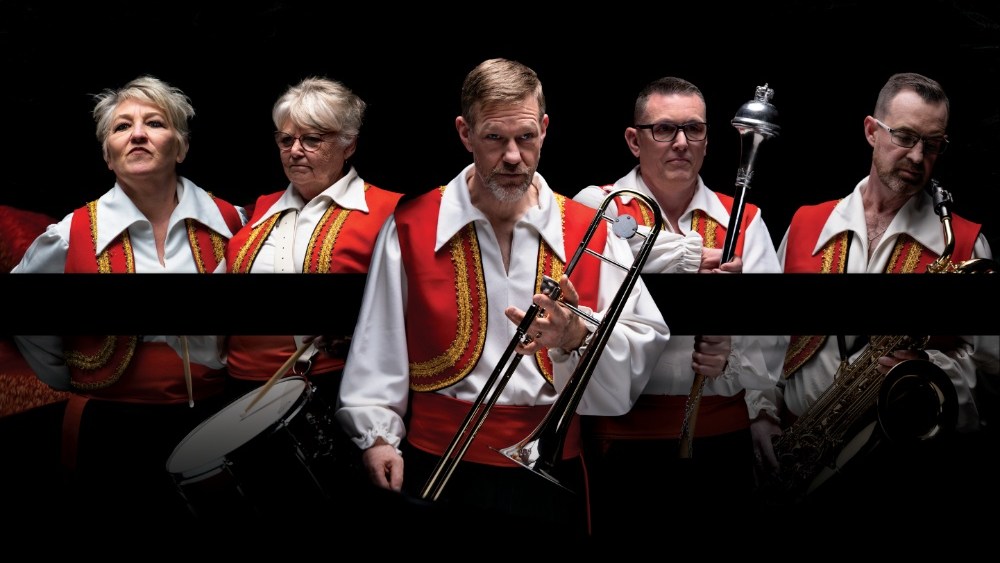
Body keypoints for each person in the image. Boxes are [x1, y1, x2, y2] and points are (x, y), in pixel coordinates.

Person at [334, 58, 669, 541]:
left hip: (552, 473)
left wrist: (577, 334)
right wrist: (378, 439)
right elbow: (377, 344)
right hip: (433, 462)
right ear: (465, 133)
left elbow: (644, 338)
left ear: (545, 129)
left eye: (526, 137)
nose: (513, 156)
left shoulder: (590, 228)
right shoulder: (410, 224)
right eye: (494, 138)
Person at [747, 72, 994, 522]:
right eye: (905, 137)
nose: (917, 156)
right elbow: (765, 341)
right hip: (794, 454)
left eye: (932, 144)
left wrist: (922, 376)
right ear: (871, 131)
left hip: (900, 473)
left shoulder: (964, 245)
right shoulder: (805, 224)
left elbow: (990, 375)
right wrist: (760, 413)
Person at [11, 75, 245, 531]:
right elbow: (24, 315)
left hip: (216, 420)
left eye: (154, 123)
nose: (137, 134)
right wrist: (68, 373)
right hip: (110, 427)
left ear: (181, 147)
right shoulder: (70, 233)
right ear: (108, 154)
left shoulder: (232, 222)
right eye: (122, 127)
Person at [573, 76, 786, 540]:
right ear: (634, 140)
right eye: (664, 129)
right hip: (620, 441)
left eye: (694, 129)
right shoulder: (597, 205)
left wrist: (730, 352)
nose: (681, 143)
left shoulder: (745, 220)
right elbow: (618, 249)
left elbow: (772, 336)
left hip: (718, 438)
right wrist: (692, 258)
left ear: (708, 139)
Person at [221, 76, 403, 515]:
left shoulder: (391, 211)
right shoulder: (257, 211)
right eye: (286, 139)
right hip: (241, 399)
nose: (295, 150)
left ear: (349, 144)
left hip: (333, 397)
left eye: (312, 139)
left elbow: (409, 314)